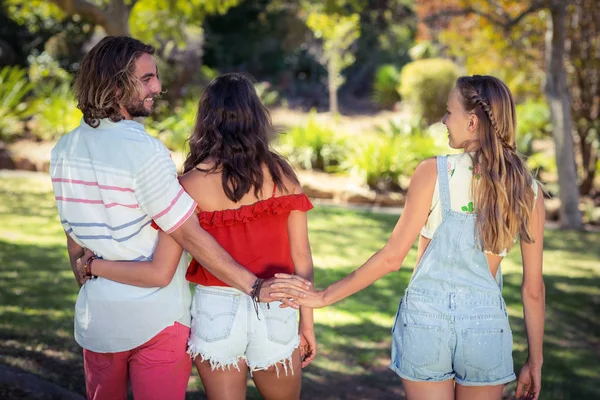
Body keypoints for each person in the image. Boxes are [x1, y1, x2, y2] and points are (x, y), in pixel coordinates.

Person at [50, 36, 310, 400]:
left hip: (103, 319)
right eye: (146, 79)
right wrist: (259, 290)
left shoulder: (63, 150)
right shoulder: (147, 152)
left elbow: (73, 240)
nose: (158, 86)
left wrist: (92, 270)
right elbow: (185, 241)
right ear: (114, 84)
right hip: (163, 319)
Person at [292, 75, 546, 400]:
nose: (443, 120)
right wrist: (535, 361)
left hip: (426, 321)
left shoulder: (433, 173)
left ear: (471, 121)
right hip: (485, 327)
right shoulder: (527, 190)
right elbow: (533, 290)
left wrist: (325, 296)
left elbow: (391, 257)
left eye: (448, 112)